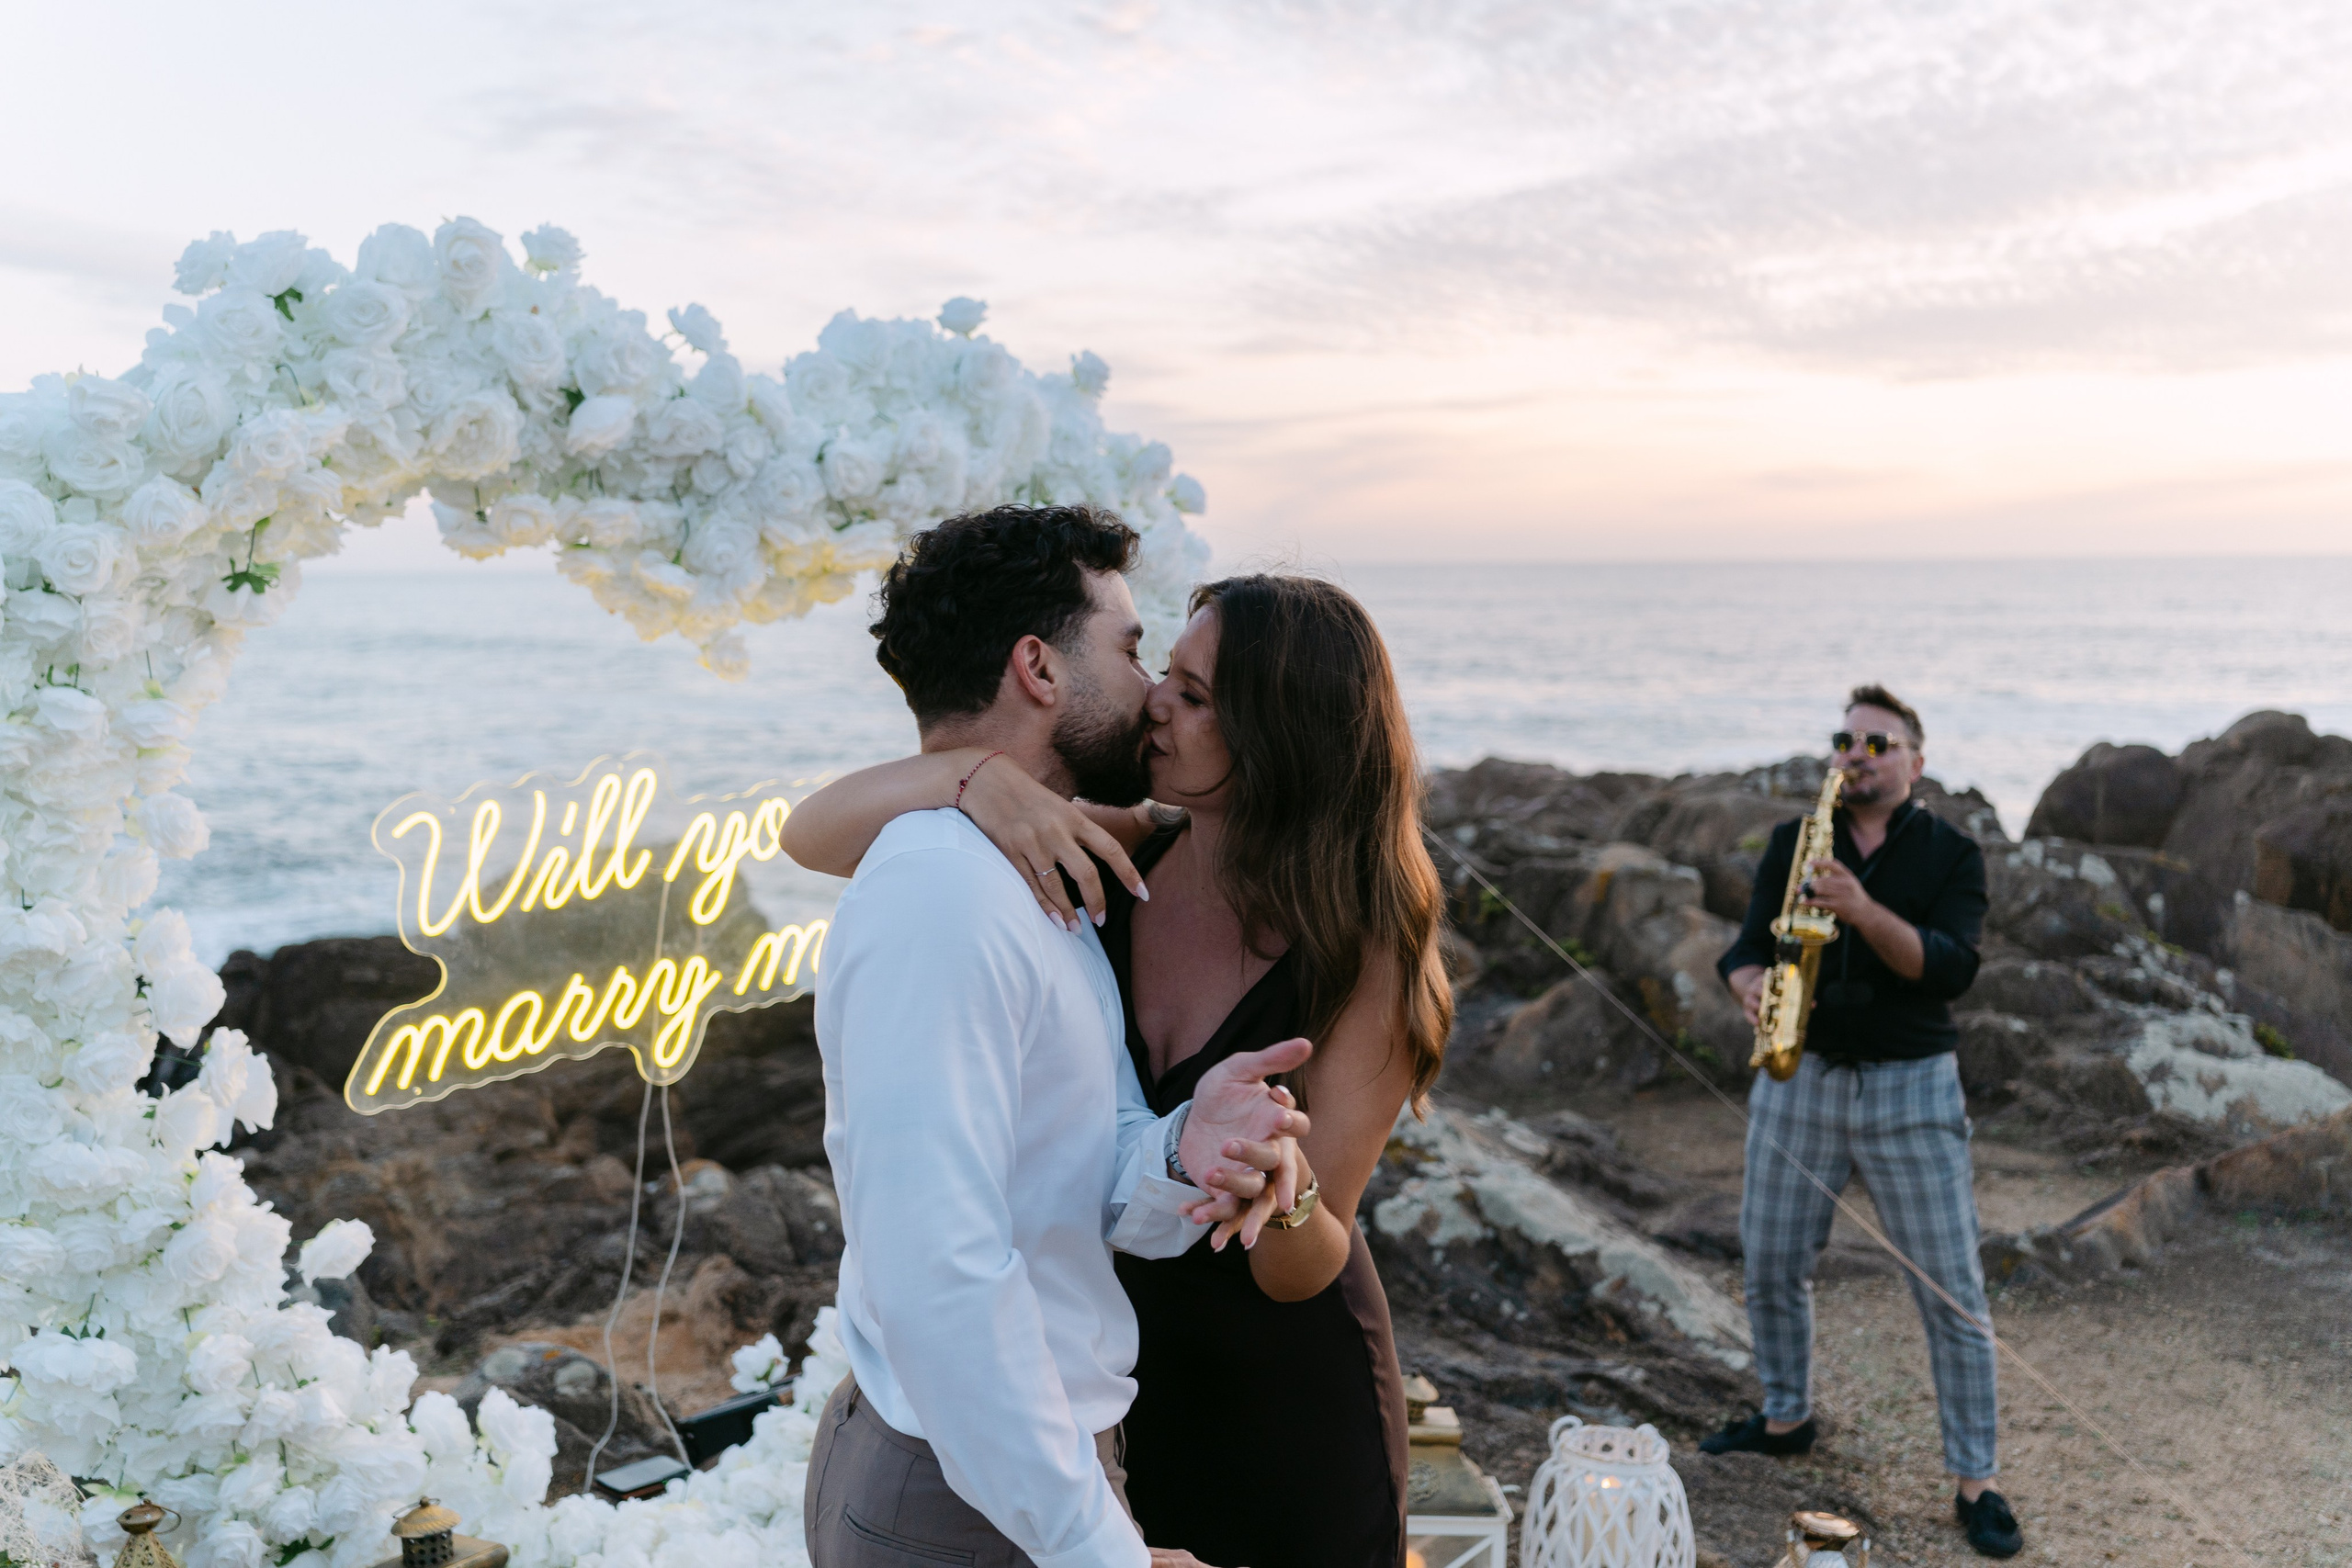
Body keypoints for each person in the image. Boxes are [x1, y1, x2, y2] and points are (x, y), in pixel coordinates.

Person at [787, 570, 1453, 1568]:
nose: (1155, 705)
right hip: (1109, 1372)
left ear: (1279, 731)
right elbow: (812, 834)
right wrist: (972, 778)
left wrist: (1276, 1185)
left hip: (1274, 1395)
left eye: (1191, 694)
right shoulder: (1125, 845)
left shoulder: (1366, 951)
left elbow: (1311, 1263)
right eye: (1163, 673)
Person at [1708, 685, 2019, 1559]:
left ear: (1916, 761)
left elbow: (1950, 969)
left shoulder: (1953, 854)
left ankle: (1976, 1480)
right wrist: (1748, 988)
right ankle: (1784, 1415)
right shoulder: (1792, 841)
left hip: (1910, 1085)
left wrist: (1860, 907)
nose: (1858, 752)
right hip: (1799, 1076)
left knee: (1950, 1288)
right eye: (1846, 739)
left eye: (1879, 741)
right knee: (1770, 1260)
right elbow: (1744, 947)